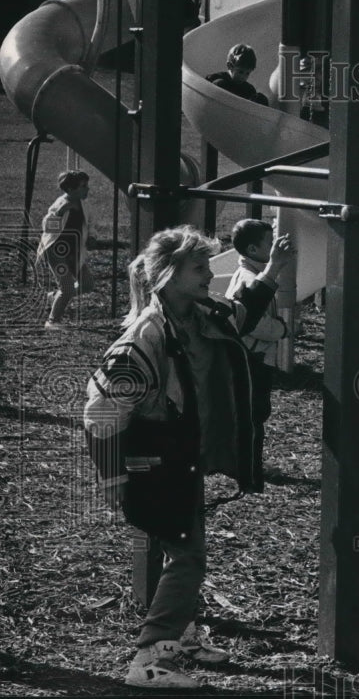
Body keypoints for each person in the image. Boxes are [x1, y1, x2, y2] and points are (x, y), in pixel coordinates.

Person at [83, 225, 294, 689]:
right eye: (199, 268)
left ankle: (182, 633)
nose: (208, 275)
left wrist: (274, 271)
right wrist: (115, 479)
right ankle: (151, 658)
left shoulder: (204, 314)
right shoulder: (146, 335)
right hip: (155, 460)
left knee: (181, 544)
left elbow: (245, 313)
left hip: (184, 456)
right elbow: (100, 411)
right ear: (168, 274)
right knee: (188, 555)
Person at [225, 218, 289, 480]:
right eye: (269, 241)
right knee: (254, 414)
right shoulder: (249, 279)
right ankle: (249, 468)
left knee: (251, 413)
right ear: (253, 250)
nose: (274, 246)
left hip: (253, 355)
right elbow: (253, 324)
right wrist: (282, 329)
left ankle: (244, 463)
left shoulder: (252, 274)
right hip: (252, 356)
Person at [37, 169, 94, 329]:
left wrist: (92, 236)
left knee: (88, 284)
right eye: (83, 186)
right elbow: (47, 227)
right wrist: (60, 213)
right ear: (70, 189)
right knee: (67, 287)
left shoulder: (84, 204)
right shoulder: (60, 204)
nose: (87, 189)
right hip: (56, 253)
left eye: (86, 185)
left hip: (74, 252)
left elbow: (90, 224)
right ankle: (52, 321)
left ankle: (56, 297)